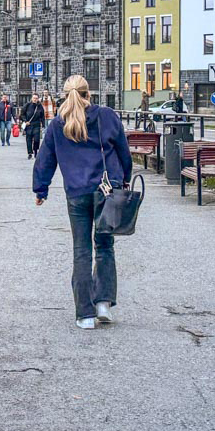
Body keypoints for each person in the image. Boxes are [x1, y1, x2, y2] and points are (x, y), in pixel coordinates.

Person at [33, 75, 131, 330]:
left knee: (81, 250)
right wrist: (125, 180)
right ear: (90, 93)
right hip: (107, 190)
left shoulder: (57, 124)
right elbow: (123, 152)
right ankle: (103, 303)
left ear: (66, 95)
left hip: (76, 193)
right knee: (105, 245)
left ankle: (84, 315)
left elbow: (46, 159)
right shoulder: (107, 116)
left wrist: (41, 189)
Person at [21, 93, 45, 159]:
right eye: (34, 98)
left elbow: (42, 116)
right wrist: (25, 121)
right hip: (29, 124)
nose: (35, 99)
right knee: (29, 139)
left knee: (37, 139)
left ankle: (35, 151)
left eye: (36, 98)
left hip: (36, 124)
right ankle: (30, 153)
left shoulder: (40, 106)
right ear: (32, 98)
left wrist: (43, 125)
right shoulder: (27, 105)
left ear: (38, 99)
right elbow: (22, 114)